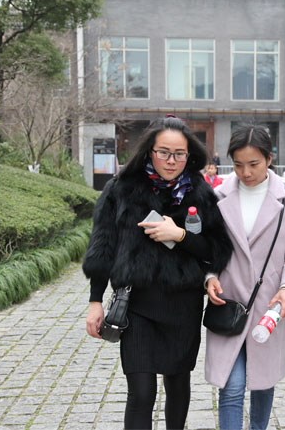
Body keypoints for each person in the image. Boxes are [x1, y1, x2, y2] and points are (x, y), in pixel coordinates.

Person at [82, 116, 233, 430]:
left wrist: (180, 235)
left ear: (189, 155)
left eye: (179, 154)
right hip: (137, 305)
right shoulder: (121, 189)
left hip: (183, 305)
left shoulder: (200, 192)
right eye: (164, 152)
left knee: (177, 385)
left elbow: (217, 249)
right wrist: (95, 301)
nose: (171, 161)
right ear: (149, 151)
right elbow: (102, 247)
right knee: (141, 392)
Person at [204, 124, 285, 430]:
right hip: (228, 302)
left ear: (269, 159)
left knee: (262, 383)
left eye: (253, 164)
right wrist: (209, 276)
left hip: (269, 305)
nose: (246, 172)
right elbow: (207, 248)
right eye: (238, 164)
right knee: (232, 386)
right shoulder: (217, 196)